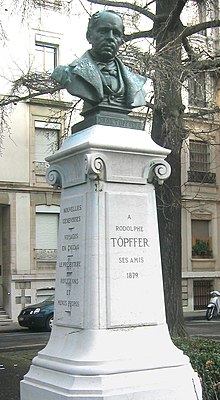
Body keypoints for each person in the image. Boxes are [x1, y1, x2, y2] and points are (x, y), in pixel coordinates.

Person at [52, 10, 147, 113]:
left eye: (116, 34)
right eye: (103, 31)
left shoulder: (136, 83)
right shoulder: (68, 73)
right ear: (89, 36)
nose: (110, 38)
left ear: (121, 40)